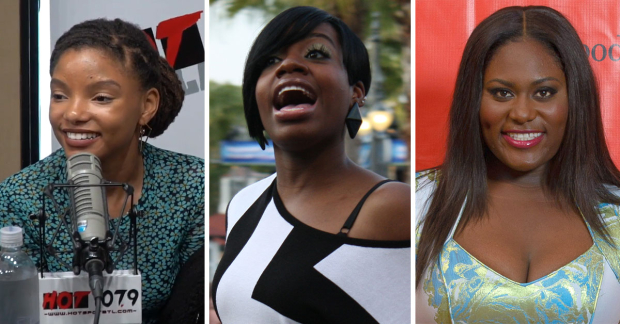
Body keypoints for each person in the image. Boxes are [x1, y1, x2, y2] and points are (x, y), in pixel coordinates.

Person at [415, 6, 620, 323]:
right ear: (474, 99)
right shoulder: (415, 203)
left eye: (544, 92)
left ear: (575, 99)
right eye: (502, 92)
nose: (522, 113)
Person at [211, 6, 410, 324]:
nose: (288, 65)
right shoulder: (244, 203)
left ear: (355, 93)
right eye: (270, 61)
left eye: (316, 53)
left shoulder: (395, 207)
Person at [0, 18, 204, 323]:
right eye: (59, 95)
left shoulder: (191, 185)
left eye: (101, 98)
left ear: (147, 104)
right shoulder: (19, 196)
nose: (73, 113)